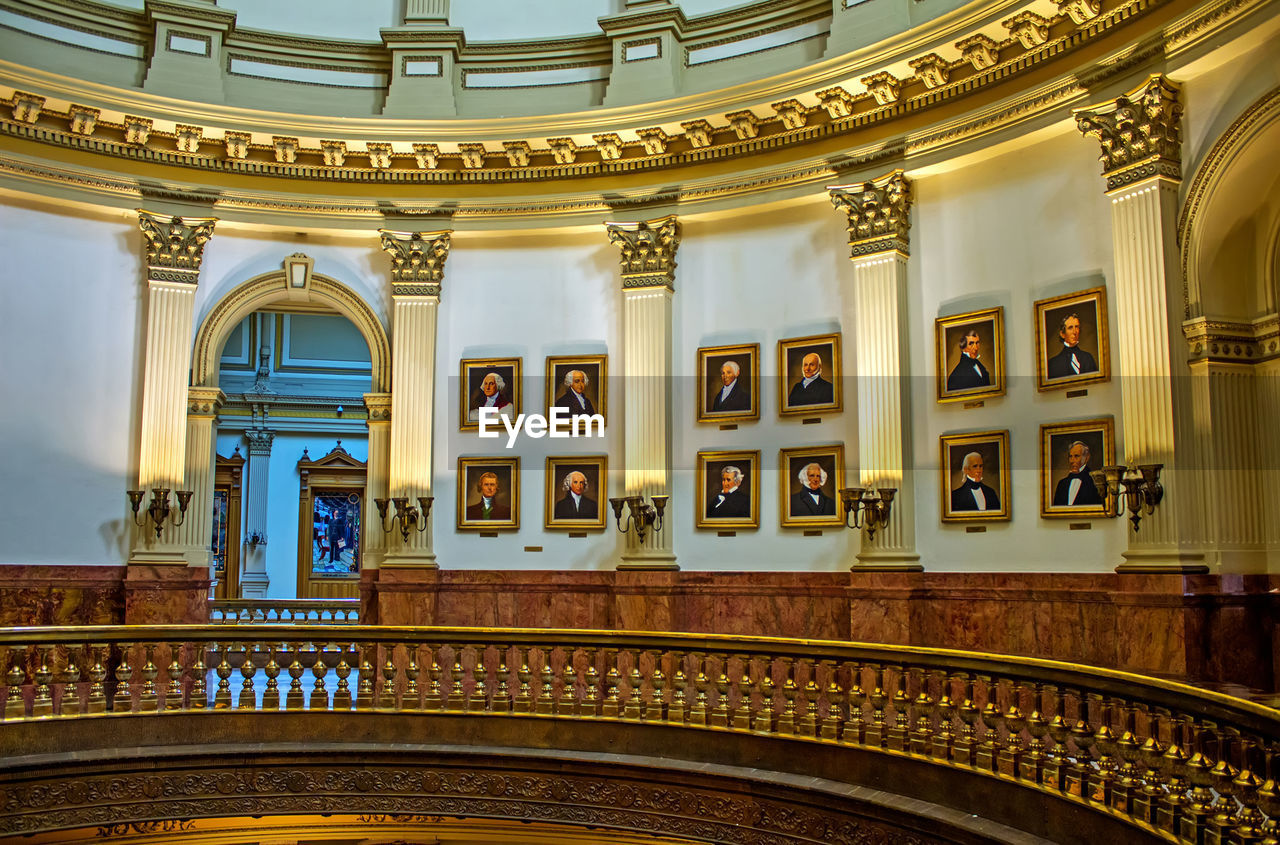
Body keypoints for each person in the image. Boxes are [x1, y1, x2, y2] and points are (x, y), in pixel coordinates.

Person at [1046, 313, 1098, 379]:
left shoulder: (1088, 358)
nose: (1074, 332)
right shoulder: (1053, 364)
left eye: (1076, 327)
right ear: (1062, 334)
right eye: (1070, 328)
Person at [1052, 441, 1103, 506]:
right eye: (1070, 456)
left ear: (1087, 458)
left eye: (1076, 456)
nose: (1072, 461)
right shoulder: (1062, 484)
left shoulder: (1096, 482)